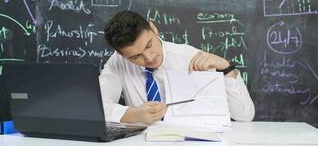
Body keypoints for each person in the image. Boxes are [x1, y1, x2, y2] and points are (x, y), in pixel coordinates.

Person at [99, 10, 255, 125]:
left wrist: (226, 68)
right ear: (121, 55)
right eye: (135, 57)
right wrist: (132, 114)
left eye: (149, 45)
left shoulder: (191, 58)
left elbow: (245, 116)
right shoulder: (118, 62)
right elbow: (97, 108)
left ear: (154, 29)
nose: (149, 57)